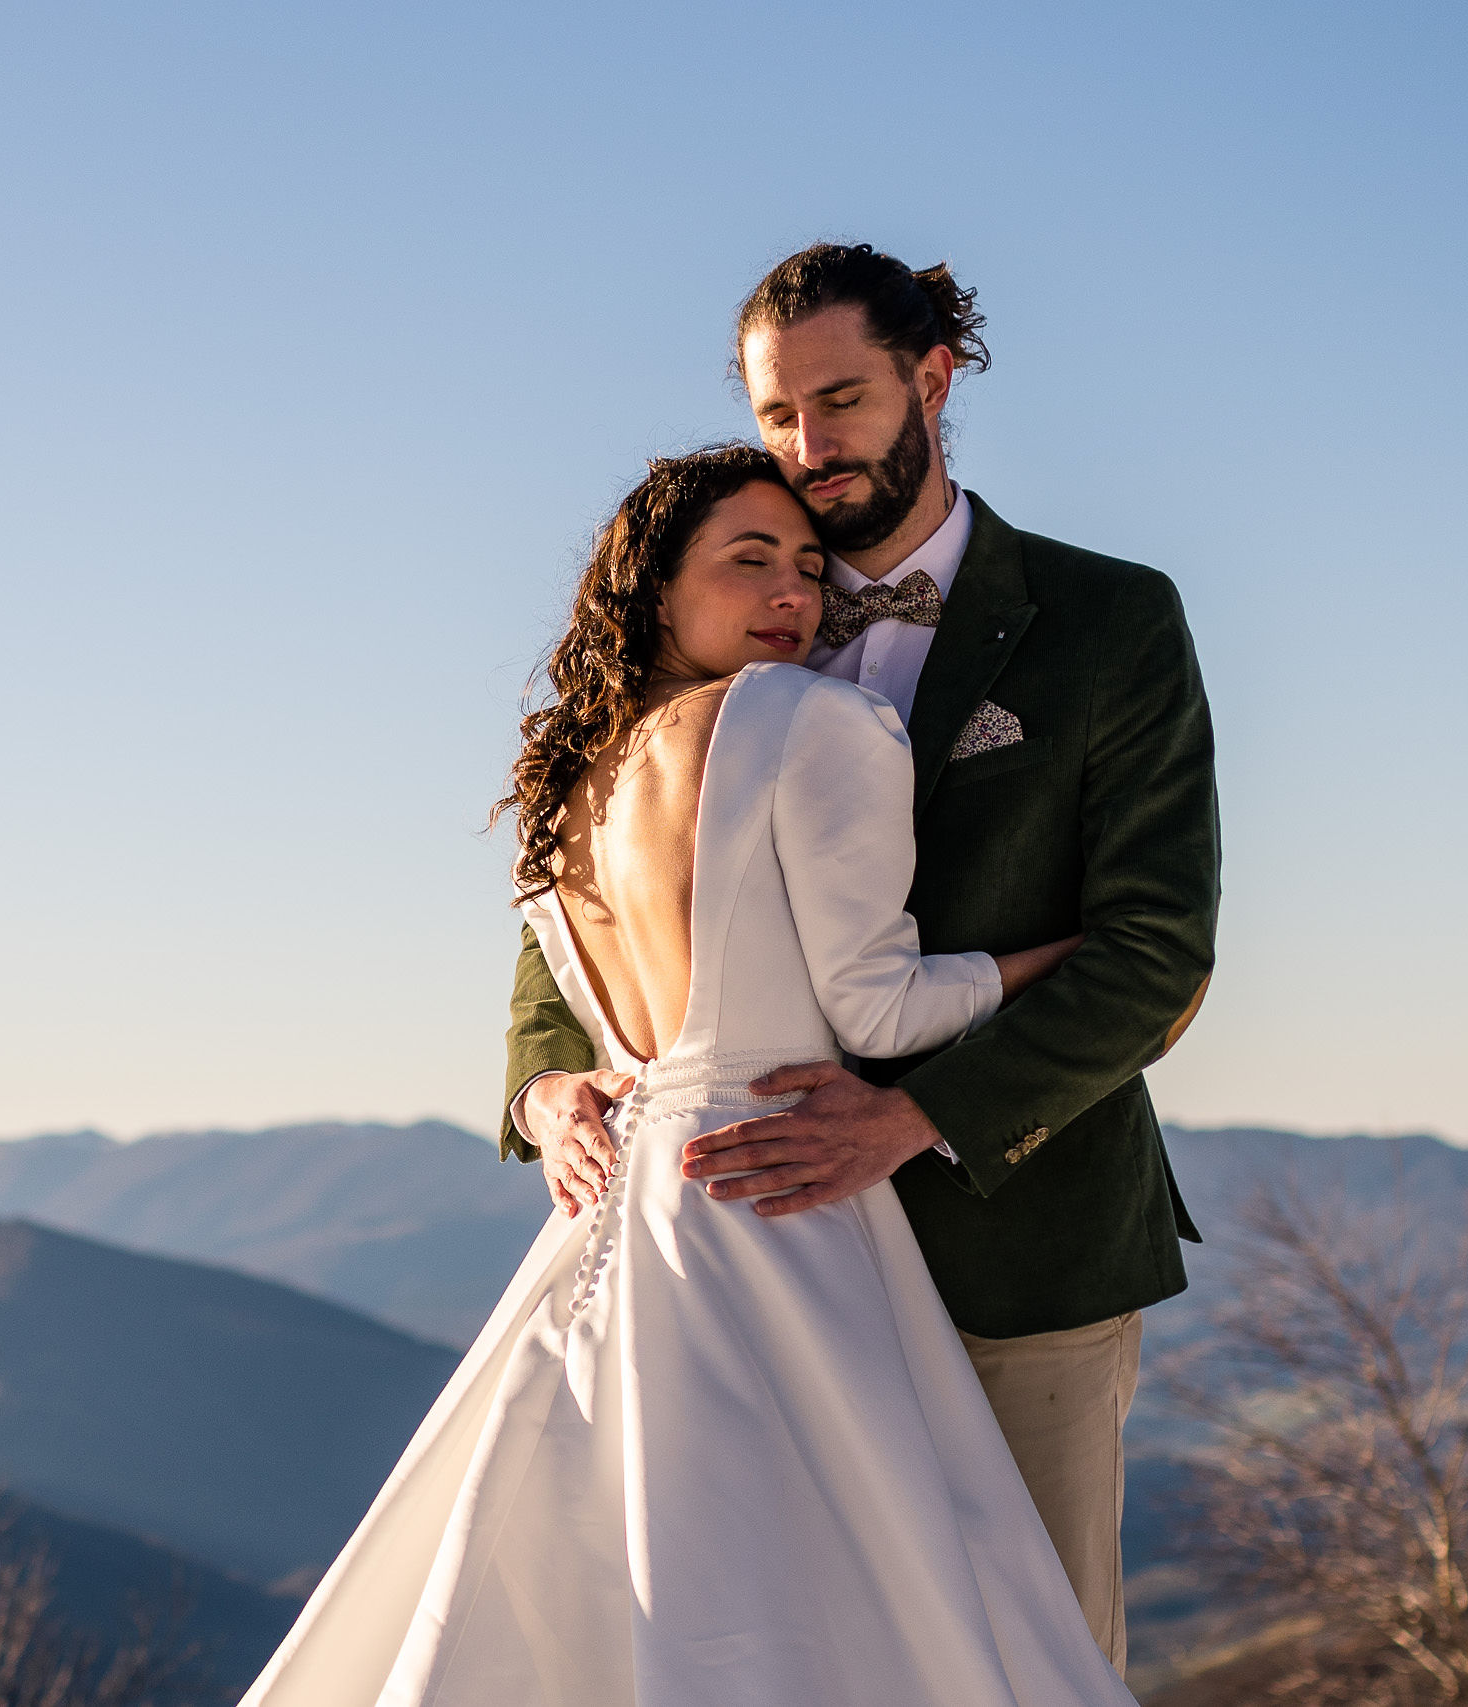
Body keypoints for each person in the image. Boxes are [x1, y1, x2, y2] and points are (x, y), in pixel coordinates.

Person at [240, 444, 1130, 1706]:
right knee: (862, 1602)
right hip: (774, 1188)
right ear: (656, 587)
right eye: (750, 560)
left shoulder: (565, 780)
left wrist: (553, 1093)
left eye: (809, 567)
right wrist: (1052, 957)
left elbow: (596, 1024)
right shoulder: (813, 716)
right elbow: (876, 1007)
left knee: (616, 1581)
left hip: (619, 1194)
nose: (794, 596)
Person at [507, 244, 1221, 1671]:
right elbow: (568, 902)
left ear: (933, 379)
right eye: (780, 415)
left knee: (1030, 1661)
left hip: (1020, 1255)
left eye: (840, 402)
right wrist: (548, 1090)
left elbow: (1157, 953)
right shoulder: (727, 600)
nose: (809, 449)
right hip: (746, 1265)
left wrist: (913, 1117)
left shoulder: (1110, 621)